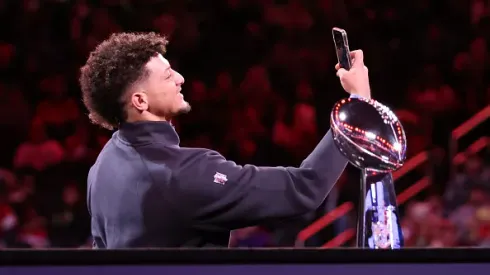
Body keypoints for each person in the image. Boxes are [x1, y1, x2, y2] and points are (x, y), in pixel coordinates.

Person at [80, 32, 371, 248]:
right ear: (140, 101)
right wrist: (357, 106)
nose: (180, 78)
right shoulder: (185, 174)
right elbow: (304, 188)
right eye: (168, 76)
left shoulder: (103, 165)